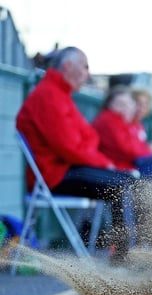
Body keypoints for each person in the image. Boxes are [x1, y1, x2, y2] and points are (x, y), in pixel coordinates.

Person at [15, 46, 137, 262]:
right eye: (85, 67)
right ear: (68, 67)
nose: (88, 74)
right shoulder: (48, 95)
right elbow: (69, 148)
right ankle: (124, 260)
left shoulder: (59, 94)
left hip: (67, 168)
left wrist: (90, 150)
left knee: (127, 181)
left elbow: (89, 136)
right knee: (121, 185)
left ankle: (127, 255)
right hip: (54, 175)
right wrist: (103, 163)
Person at [92, 85, 152, 181]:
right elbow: (128, 149)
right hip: (120, 169)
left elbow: (133, 147)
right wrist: (151, 151)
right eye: (120, 104)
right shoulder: (110, 119)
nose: (125, 108)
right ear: (109, 104)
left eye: (127, 104)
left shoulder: (127, 122)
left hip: (129, 165)